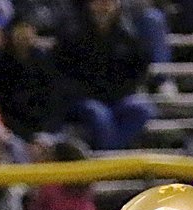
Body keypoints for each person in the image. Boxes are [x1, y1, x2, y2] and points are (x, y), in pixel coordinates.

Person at [52, 0, 154, 150]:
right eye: (98, 2)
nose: (102, 7)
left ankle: (112, 153)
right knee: (100, 115)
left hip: (118, 98)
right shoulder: (72, 32)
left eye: (107, 3)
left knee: (142, 108)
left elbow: (139, 70)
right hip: (82, 99)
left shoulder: (128, 33)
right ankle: (111, 161)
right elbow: (62, 73)